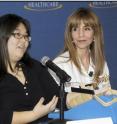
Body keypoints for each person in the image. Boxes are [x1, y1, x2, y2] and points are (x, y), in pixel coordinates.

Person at [0, 13, 81, 124]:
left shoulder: (34, 67)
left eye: (26, 36)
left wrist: (89, 96)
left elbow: (58, 97)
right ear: (2, 37)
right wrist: (34, 115)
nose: (24, 41)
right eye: (18, 34)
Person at [50, 8, 111, 96]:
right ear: (70, 35)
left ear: (95, 34)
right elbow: (55, 104)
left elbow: (107, 96)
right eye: (75, 29)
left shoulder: (101, 63)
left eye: (86, 29)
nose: (81, 34)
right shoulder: (59, 65)